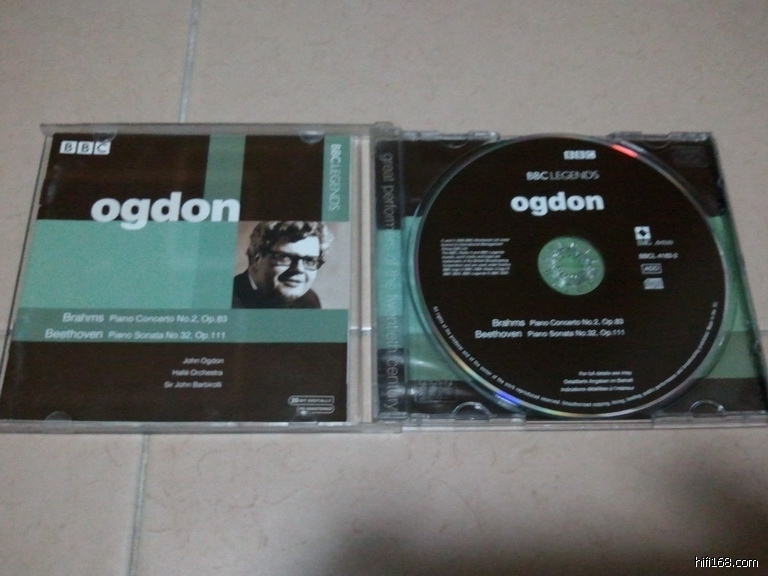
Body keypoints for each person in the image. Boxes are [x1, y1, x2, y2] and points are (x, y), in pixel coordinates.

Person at [232, 221, 333, 309]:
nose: (299, 269)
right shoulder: (229, 299)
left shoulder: (309, 301)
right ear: (256, 259)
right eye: (285, 258)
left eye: (310, 260)